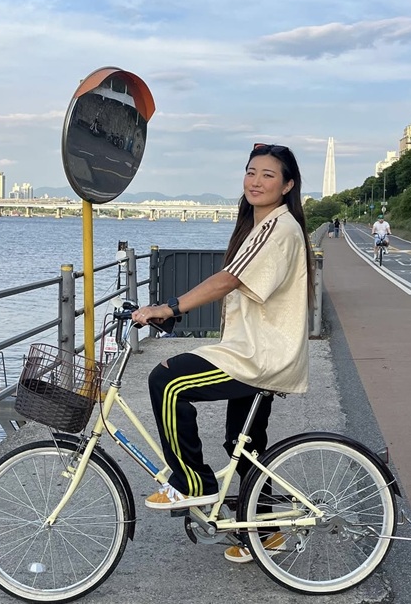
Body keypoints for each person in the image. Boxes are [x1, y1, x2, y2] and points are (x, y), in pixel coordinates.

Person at [131, 143, 313, 563]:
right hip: (257, 349)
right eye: (251, 172)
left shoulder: (277, 228)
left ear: (287, 186)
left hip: (259, 355)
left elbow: (227, 280)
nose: (256, 181)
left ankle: (193, 481)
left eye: (269, 175)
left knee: (167, 379)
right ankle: (265, 531)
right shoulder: (262, 226)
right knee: (243, 443)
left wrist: (169, 307)